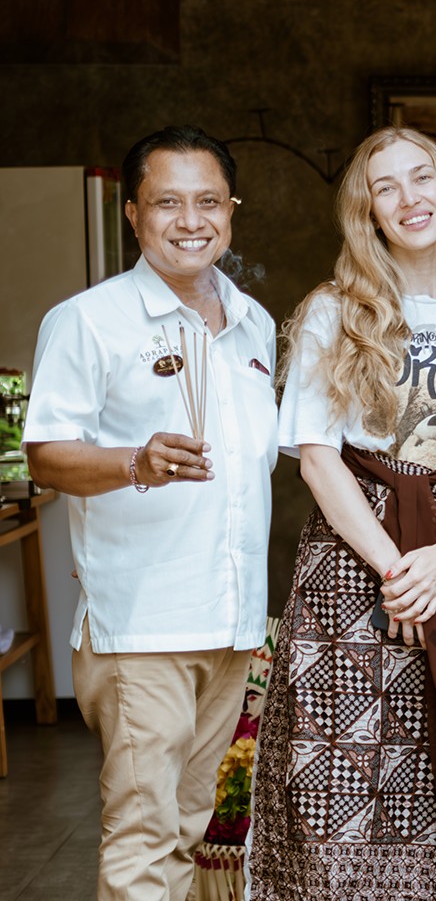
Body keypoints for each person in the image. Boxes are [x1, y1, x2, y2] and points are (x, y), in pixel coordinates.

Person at [247, 127, 436, 900]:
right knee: (345, 764)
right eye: (386, 187)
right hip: (357, 564)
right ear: (367, 210)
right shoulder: (332, 312)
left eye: (423, 179)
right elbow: (318, 459)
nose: (409, 198)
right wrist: (398, 572)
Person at [22, 125, 276, 901]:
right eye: (167, 202)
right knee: (144, 836)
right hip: (143, 626)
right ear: (133, 213)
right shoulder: (89, 320)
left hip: (230, 622)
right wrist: (136, 462)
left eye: (208, 201)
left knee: (191, 827)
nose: (190, 220)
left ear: (230, 209)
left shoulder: (254, 323)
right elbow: (45, 455)